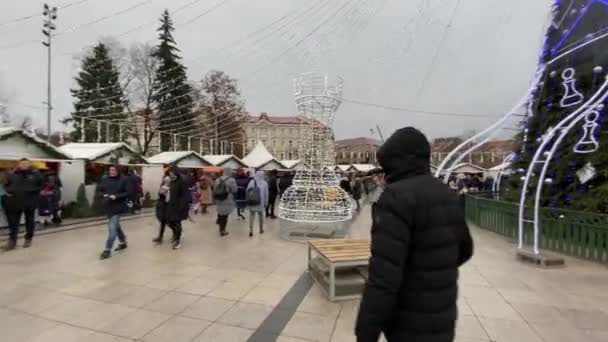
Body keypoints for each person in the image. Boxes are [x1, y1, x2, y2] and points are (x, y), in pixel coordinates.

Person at [355, 127, 474, 342]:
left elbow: (383, 277)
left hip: (408, 321)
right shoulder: (445, 192)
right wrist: (433, 269)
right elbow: (465, 250)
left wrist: (366, 332)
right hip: (443, 316)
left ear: (395, 163)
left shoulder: (395, 197)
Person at [2, 158, 43, 251]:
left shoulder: (35, 175)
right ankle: (12, 241)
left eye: (26, 163)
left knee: (29, 221)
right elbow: (5, 185)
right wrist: (10, 191)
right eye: (22, 163)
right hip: (15, 202)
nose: (24, 165)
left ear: (29, 164)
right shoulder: (13, 175)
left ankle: (28, 238)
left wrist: (33, 192)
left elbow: (42, 185)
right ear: (19, 164)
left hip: (30, 202)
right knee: (13, 223)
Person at [98, 165, 130, 259]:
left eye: (114, 170)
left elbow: (128, 192)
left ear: (118, 171)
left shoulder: (123, 180)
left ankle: (107, 250)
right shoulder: (105, 179)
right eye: (110, 170)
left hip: (118, 207)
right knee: (116, 226)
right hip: (109, 206)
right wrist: (103, 195)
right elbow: (99, 190)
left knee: (112, 229)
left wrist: (116, 196)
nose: (111, 172)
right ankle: (123, 242)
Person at [154, 168, 190, 249]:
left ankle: (177, 241)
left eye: (172, 173)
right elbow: (169, 195)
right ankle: (176, 235)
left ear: (176, 172)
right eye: (170, 173)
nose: (171, 174)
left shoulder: (181, 182)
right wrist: (163, 193)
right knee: (170, 222)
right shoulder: (172, 182)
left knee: (176, 223)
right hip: (170, 206)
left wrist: (180, 207)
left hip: (178, 207)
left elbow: (184, 196)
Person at [213, 167, 238, 236]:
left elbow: (214, 189)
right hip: (227, 199)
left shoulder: (218, 179)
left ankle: (219, 222)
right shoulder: (232, 180)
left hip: (218, 198)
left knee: (220, 212)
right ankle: (222, 230)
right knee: (225, 215)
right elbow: (234, 190)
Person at [246, 170, 269, 237]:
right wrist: (266, 202)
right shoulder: (265, 183)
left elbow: (247, 191)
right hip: (260, 202)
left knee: (252, 215)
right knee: (261, 215)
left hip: (252, 201)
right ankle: (261, 229)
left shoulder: (251, 182)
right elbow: (266, 194)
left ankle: (251, 230)